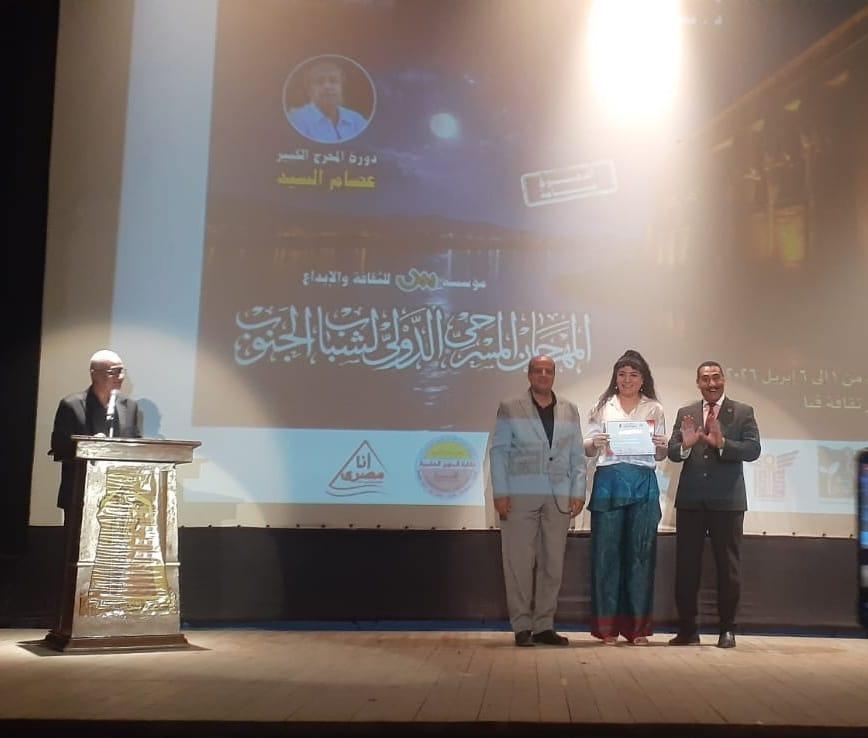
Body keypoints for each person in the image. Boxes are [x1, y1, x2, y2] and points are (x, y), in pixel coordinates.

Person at [489, 355, 586, 647]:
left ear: (554, 375)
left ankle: (544, 625)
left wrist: (578, 491)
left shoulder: (569, 408)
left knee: (553, 564)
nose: (544, 375)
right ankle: (522, 626)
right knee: (519, 563)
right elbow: (499, 452)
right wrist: (500, 493)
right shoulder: (510, 406)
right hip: (519, 496)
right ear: (529, 375)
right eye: (538, 370)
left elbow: (577, 454)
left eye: (549, 371)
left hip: (559, 497)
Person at [667, 361, 761, 649]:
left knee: (728, 568)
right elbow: (672, 451)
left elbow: (753, 449)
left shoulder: (743, 411)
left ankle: (727, 630)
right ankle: (687, 630)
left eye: (716, 377)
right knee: (686, 568)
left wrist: (722, 444)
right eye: (705, 379)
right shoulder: (686, 413)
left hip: (727, 502)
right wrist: (685, 445)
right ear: (698, 383)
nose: (711, 383)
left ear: (724, 380)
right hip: (691, 500)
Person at [584, 350, 667, 646]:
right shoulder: (601, 406)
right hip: (609, 481)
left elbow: (660, 454)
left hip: (643, 482)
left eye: (633, 374)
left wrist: (662, 445)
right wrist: (593, 441)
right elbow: (587, 448)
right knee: (606, 555)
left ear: (643, 379)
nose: (627, 380)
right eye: (622, 374)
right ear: (615, 378)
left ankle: (637, 629)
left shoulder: (654, 408)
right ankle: (607, 628)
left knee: (640, 555)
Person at [50, 349, 143, 512]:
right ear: (94, 374)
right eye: (113, 372)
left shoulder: (130, 406)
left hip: (120, 495)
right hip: (80, 495)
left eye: (122, 371)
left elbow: (137, 448)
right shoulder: (72, 405)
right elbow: (59, 448)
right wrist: (90, 445)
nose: (121, 377)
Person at [288, 59, 368, 143]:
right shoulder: (297, 121)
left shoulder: (356, 119)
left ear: (341, 86)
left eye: (333, 81)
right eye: (320, 82)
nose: (327, 86)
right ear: (309, 90)